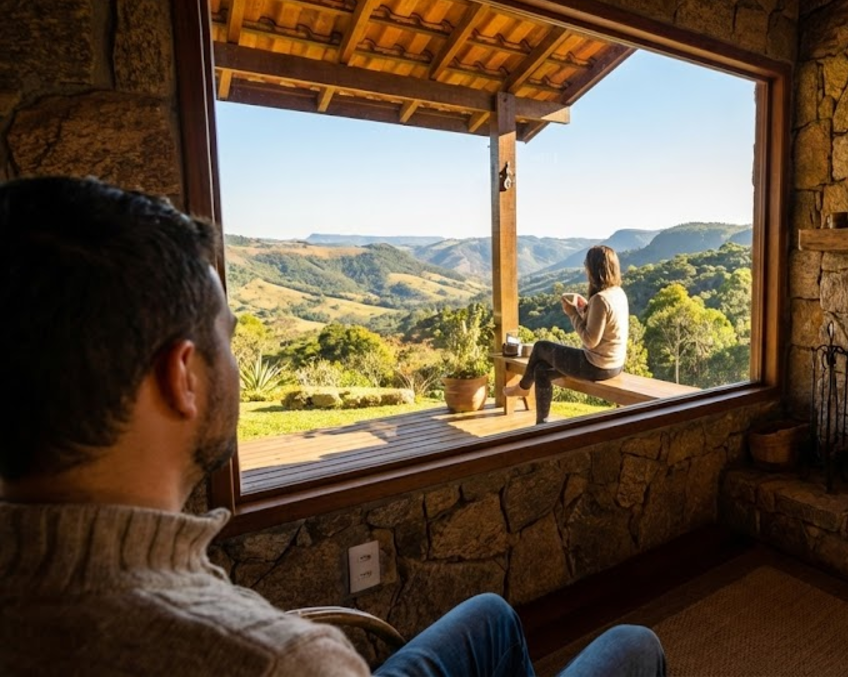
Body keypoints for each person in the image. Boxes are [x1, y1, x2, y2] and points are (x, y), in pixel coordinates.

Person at [0, 177, 666, 677]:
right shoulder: (285, 659)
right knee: (634, 644)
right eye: (226, 337)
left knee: (490, 615)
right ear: (183, 377)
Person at [505, 246, 628, 424]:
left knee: (540, 347)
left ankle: (523, 387)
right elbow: (604, 327)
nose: (585, 268)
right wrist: (585, 309)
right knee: (541, 371)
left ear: (594, 268)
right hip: (615, 365)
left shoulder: (600, 299)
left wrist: (572, 314)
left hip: (596, 366)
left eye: (586, 264)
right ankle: (542, 424)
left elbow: (590, 341)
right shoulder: (618, 293)